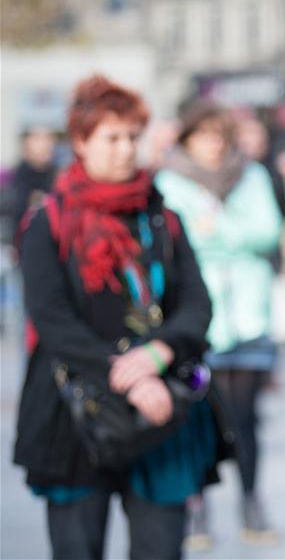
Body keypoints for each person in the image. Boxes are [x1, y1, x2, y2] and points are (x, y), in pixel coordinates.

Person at [13, 75, 222, 560]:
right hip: (77, 414)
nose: (125, 149)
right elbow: (52, 319)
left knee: (161, 549)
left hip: (160, 414)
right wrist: (127, 376)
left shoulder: (161, 217)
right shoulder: (49, 221)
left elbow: (197, 303)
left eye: (133, 136)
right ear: (81, 142)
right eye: (112, 137)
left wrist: (160, 351)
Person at [156, 102, 283, 545]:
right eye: (202, 135)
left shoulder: (253, 176)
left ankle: (251, 503)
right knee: (195, 417)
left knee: (245, 418)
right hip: (197, 319)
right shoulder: (169, 181)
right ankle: (198, 510)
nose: (212, 144)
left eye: (219, 135)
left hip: (248, 314)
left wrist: (216, 230)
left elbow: (268, 231)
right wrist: (229, 235)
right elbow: (175, 244)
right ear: (187, 139)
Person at [12, 126, 58, 229]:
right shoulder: (18, 178)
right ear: (26, 143)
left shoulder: (59, 176)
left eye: (49, 138)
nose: (45, 144)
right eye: (38, 138)